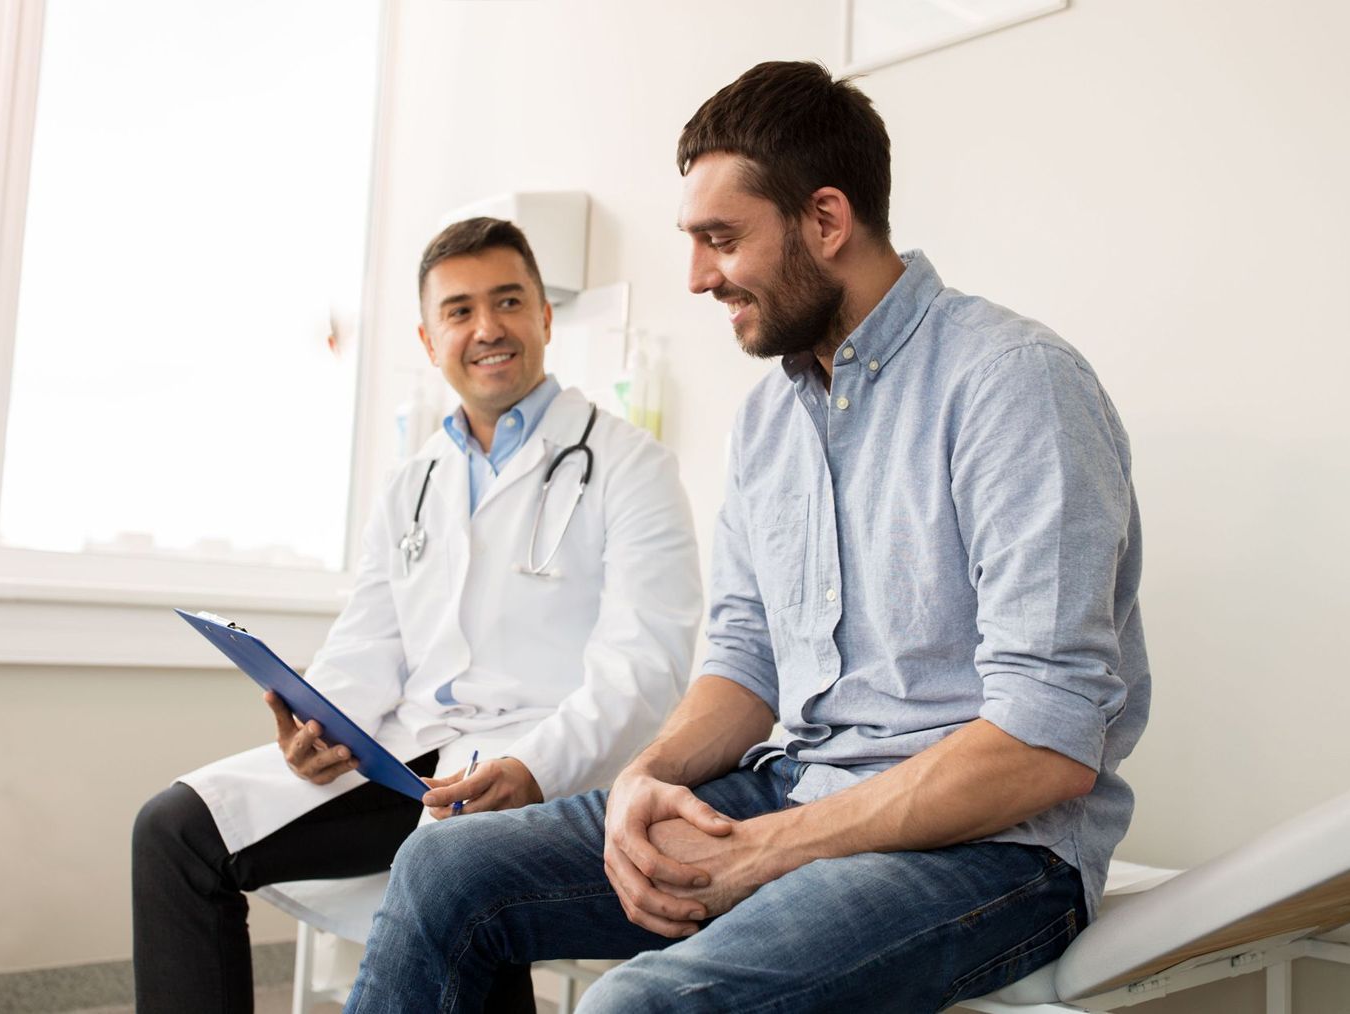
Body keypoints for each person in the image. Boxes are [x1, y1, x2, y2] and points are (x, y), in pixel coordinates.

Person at [345, 61, 1151, 1014]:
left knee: (630, 1006)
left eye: (721, 240)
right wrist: (644, 781)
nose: (696, 277)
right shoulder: (772, 420)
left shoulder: (1013, 384)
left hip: (994, 850)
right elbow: (746, 663)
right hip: (797, 789)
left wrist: (766, 852)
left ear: (825, 219)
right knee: (447, 870)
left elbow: (1044, 745)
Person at [130, 217, 704, 1013]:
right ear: (430, 340)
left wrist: (536, 767)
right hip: (410, 760)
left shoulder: (631, 467)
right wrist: (318, 723)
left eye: (508, 301)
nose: (487, 327)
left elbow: (646, 670)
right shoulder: (414, 483)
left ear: (544, 316)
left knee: (463, 871)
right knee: (175, 830)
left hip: (547, 766)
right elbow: (369, 642)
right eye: (460, 311)